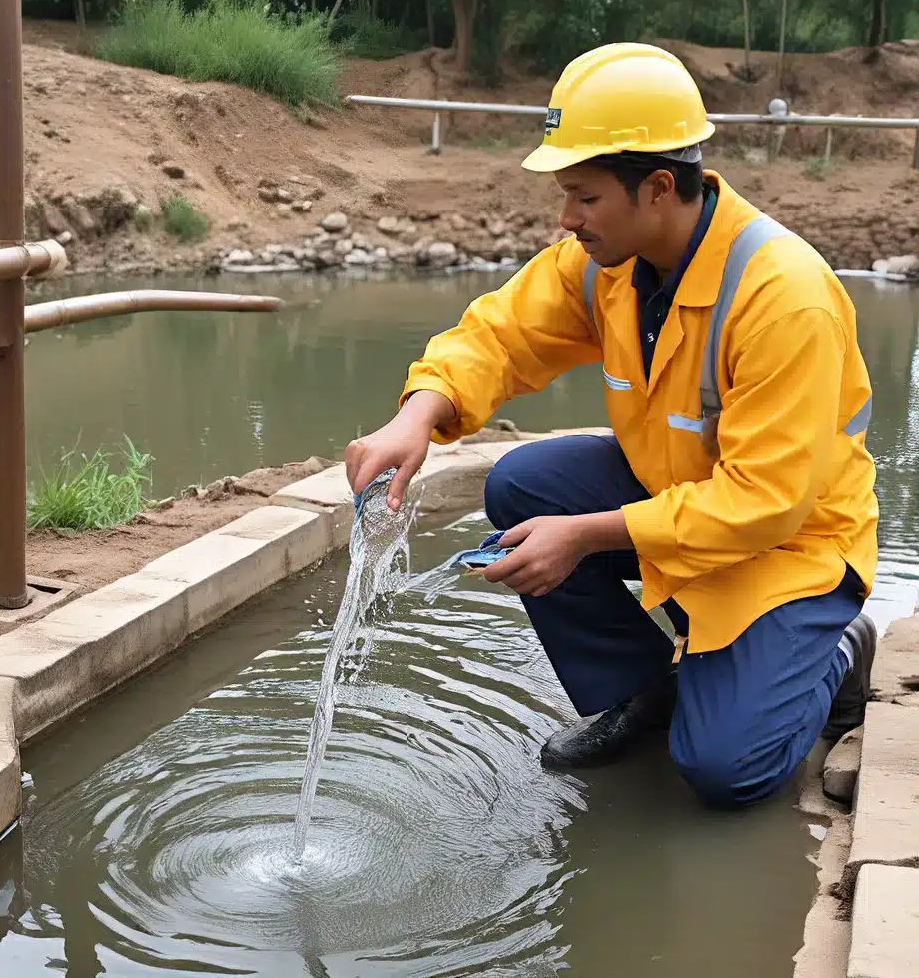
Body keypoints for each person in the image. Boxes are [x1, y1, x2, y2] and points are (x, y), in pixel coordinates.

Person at [344, 42, 879, 809]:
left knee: (726, 774)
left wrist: (587, 534)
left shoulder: (782, 297)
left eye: (585, 197)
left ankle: (832, 659)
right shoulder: (606, 264)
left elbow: (765, 502)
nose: (567, 219)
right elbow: (501, 336)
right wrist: (418, 415)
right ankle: (645, 692)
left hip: (789, 544)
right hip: (678, 492)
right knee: (524, 486)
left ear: (658, 188)